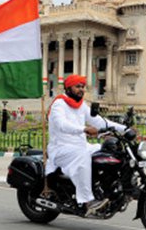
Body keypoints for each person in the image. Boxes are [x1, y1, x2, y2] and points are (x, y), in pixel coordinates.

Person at [46, 74, 126, 216]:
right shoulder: (59, 104)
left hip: (80, 146)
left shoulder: (81, 105)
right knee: (83, 156)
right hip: (61, 149)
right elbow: (61, 124)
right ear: (68, 88)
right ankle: (87, 201)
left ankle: (106, 189)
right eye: (78, 86)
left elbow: (100, 122)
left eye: (83, 87)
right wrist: (83, 129)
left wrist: (124, 129)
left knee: (106, 151)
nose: (81, 90)